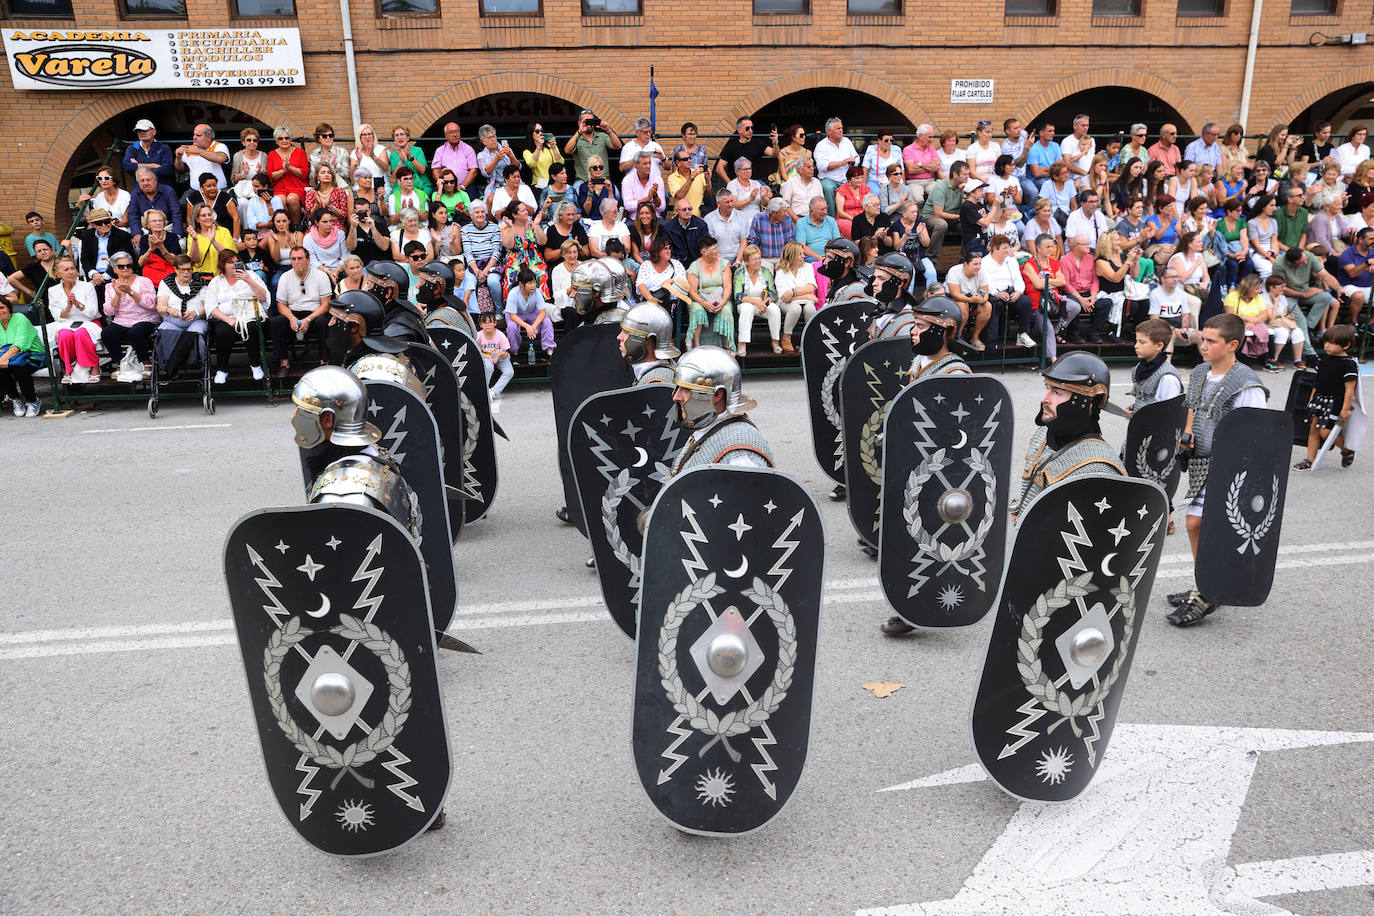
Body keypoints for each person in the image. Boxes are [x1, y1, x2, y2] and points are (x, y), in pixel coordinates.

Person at [880, 293, 971, 635]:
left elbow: (957, 432)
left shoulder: (956, 372)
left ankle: (918, 608)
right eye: (914, 325)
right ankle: (914, 603)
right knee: (909, 540)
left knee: (928, 541)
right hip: (913, 466)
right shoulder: (921, 362)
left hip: (940, 473)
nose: (913, 333)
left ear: (944, 329)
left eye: (920, 326)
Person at [1169, 313, 1269, 626]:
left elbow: (1254, 433)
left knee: (1196, 523)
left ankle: (1206, 590)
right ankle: (1207, 582)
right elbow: (1192, 405)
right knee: (1197, 524)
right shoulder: (1200, 372)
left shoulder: (1246, 385)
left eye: (1212, 341)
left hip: (1229, 468)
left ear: (1233, 345)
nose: (1204, 346)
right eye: (1204, 339)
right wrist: (1187, 434)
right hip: (1200, 460)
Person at [1010, 352, 1124, 523]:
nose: (1045, 399)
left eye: (1057, 392)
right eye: (1047, 388)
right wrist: (1025, 508)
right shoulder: (1044, 434)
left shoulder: (1099, 471)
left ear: (1087, 403)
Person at [669, 346, 773, 476]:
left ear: (717, 395)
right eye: (678, 387)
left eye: (686, 389)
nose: (676, 397)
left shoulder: (740, 455)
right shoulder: (712, 427)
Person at [1294, 324, 1359, 471]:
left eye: (1332, 342)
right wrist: (1311, 399)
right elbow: (1318, 382)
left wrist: (1346, 409)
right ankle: (1310, 460)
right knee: (1313, 430)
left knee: (1326, 431)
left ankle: (1347, 449)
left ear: (1346, 345)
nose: (1327, 345)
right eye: (1326, 341)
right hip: (1319, 400)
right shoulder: (1325, 359)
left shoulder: (1349, 365)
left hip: (1335, 402)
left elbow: (1350, 389)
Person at [204, 250, 269, 385]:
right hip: (226, 317)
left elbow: (264, 298)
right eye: (230, 262)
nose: (234, 265)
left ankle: (255, 365)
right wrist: (230, 321)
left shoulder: (250, 275)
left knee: (252, 327)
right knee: (222, 331)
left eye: (236, 261)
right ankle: (222, 369)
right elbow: (211, 308)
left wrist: (248, 280)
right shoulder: (217, 281)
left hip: (249, 315)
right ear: (223, 265)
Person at [270, 246, 333, 376]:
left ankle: (324, 361)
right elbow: (281, 305)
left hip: (315, 313)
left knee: (322, 321)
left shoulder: (321, 276)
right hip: (294, 312)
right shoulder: (285, 277)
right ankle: (284, 363)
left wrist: (308, 319)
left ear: (308, 260)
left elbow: (326, 304)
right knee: (276, 322)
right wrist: (292, 318)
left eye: (300, 258)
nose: (296, 262)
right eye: (293, 259)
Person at [1272, 245, 1342, 362]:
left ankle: (1309, 327)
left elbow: (1325, 275)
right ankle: (1310, 354)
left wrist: (1339, 289)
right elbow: (1281, 288)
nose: (1306, 262)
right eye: (1302, 262)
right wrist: (1304, 295)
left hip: (1304, 289)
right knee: (1301, 321)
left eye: (1305, 259)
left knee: (1325, 297)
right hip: (1287, 295)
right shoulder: (1279, 264)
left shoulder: (1308, 256)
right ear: (1291, 263)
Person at [99, 251, 159, 375]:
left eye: (129, 265)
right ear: (114, 269)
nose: (126, 268)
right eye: (121, 266)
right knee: (107, 333)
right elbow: (108, 312)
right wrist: (118, 295)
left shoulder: (144, 281)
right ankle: (120, 363)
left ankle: (146, 362)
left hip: (146, 318)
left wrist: (130, 292)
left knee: (134, 333)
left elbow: (150, 305)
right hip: (122, 320)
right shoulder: (110, 286)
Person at [45, 256, 101, 383]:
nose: (71, 272)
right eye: (66, 269)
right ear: (58, 273)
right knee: (64, 335)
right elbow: (57, 316)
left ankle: (94, 366)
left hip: (88, 322)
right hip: (66, 323)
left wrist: (77, 304)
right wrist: (68, 308)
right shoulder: (52, 290)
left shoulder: (88, 287)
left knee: (81, 334)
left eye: (72, 268)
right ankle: (69, 367)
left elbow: (93, 314)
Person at [153, 254, 209, 381]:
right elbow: (160, 306)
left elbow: (208, 307)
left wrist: (195, 312)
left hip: (196, 320)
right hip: (172, 320)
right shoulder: (166, 283)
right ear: (176, 269)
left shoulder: (201, 283)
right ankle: (170, 367)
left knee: (196, 335)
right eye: (183, 269)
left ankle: (202, 365)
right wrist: (168, 310)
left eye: (189, 269)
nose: (186, 273)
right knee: (162, 332)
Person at [1023, 232, 1079, 357]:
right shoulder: (1029, 264)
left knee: (1075, 307)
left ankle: (1057, 330)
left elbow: (1062, 281)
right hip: (1037, 304)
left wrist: (1046, 282)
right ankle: (1053, 359)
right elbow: (1037, 285)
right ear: (1038, 248)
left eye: (1052, 246)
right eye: (1048, 246)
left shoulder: (1054, 262)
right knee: (1047, 329)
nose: (1051, 249)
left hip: (1054, 300)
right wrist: (1051, 282)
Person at [980, 233, 1033, 349]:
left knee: (1026, 302)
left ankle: (1023, 335)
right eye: (1005, 248)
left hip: (1010, 293)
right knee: (995, 304)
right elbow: (985, 283)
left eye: (1009, 247)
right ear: (995, 249)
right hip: (993, 294)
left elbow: (1018, 280)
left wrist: (1018, 292)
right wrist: (997, 293)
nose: (1008, 250)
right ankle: (991, 342)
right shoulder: (985, 262)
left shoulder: (1011, 261)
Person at [76, 208, 136, 302]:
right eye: (99, 223)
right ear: (93, 225)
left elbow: (125, 260)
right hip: (94, 276)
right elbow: (85, 259)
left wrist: (104, 277)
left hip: (116, 275)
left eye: (107, 222)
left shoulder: (122, 236)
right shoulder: (87, 235)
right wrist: (94, 274)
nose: (104, 225)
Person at [1127, 317, 1183, 414]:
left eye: (1142, 342)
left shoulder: (1168, 378)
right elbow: (1145, 399)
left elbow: (1170, 412)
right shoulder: (1140, 368)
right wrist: (1135, 410)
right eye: (1136, 341)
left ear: (1159, 346)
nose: (1136, 346)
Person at [0, 298, 45, 416]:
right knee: (1, 369)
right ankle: (15, 399)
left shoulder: (20, 318)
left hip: (33, 354)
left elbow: (21, 343)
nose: (0, 311)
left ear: (8, 308)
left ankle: (32, 400)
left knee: (19, 369)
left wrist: (4, 357)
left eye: (2, 308)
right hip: (9, 356)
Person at [618, 301, 680, 386]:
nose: (619, 337)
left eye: (626, 332)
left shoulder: (656, 383)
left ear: (647, 339)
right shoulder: (664, 365)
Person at [733, 244, 778, 356]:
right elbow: (738, 296)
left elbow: (773, 294)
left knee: (775, 309)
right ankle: (742, 344)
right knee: (747, 309)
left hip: (763, 303)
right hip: (746, 302)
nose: (758, 261)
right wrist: (756, 302)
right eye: (754, 259)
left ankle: (775, 342)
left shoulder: (766, 272)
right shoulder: (739, 273)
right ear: (746, 262)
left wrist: (764, 304)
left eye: (759, 258)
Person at [503, 265, 555, 363]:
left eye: (534, 282)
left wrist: (533, 326)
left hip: (532, 312)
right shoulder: (513, 293)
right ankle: (514, 353)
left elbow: (542, 312)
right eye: (530, 283)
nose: (533, 285)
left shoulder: (537, 292)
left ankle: (549, 352)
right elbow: (512, 316)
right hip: (515, 314)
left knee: (547, 321)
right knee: (512, 327)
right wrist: (527, 327)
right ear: (521, 284)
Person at [773, 241, 818, 352]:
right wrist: (806, 295)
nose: (804, 256)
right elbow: (783, 296)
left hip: (803, 302)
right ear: (792, 255)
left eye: (803, 253)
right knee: (795, 308)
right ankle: (786, 337)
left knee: (811, 308)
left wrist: (792, 293)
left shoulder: (807, 267)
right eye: (800, 254)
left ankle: (809, 338)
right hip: (786, 304)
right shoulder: (781, 271)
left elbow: (811, 287)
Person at [460, 201, 503, 313]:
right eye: (477, 212)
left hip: (491, 263)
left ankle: (499, 311)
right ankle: (473, 314)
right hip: (474, 265)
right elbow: (468, 253)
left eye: (482, 211)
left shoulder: (495, 228)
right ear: (471, 215)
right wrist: (477, 272)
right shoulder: (465, 230)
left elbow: (496, 252)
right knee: (469, 281)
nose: (480, 214)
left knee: (493, 281)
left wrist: (485, 271)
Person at [500, 201, 549, 297]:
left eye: (526, 209)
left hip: (533, 260)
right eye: (523, 211)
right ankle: (513, 306)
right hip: (515, 261)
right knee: (513, 277)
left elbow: (543, 242)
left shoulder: (532, 224)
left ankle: (542, 305)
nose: (527, 212)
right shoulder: (506, 227)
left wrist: (536, 225)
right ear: (514, 215)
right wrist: (510, 227)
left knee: (541, 275)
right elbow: (508, 245)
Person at [814, 118, 859, 216]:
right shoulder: (821, 145)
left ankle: (855, 219)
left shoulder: (846, 141)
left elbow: (857, 158)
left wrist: (852, 162)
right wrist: (842, 162)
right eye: (838, 128)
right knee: (828, 187)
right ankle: (831, 220)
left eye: (842, 128)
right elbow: (822, 166)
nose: (841, 130)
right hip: (830, 180)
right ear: (829, 131)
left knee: (862, 185)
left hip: (847, 179)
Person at [1060, 234, 1101, 341]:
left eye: (1089, 243)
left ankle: (1094, 332)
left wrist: (1093, 296)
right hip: (1072, 293)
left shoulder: (1091, 259)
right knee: (1073, 304)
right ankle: (1073, 334)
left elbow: (1095, 280)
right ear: (1076, 246)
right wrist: (1081, 299)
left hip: (1088, 292)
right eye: (1085, 244)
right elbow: (1066, 284)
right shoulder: (1064, 260)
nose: (1089, 246)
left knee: (1105, 303)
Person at [922, 160, 968, 256]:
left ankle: (966, 259)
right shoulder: (941, 187)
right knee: (941, 225)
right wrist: (959, 216)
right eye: (964, 174)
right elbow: (938, 214)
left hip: (951, 217)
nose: (967, 177)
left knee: (968, 224)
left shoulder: (963, 187)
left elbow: (964, 208)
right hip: (931, 216)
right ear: (955, 174)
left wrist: (965, 194)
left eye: (968, 174)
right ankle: (931, 257)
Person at [564, 110, 623, 184]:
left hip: (603, 179)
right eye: (586, 122)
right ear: (579, 123)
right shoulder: (576, 138)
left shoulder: (602, 136)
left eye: (590, 121)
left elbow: (618, 146)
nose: (588, 124)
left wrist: (608, 130)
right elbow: (567, 151)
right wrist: (579, 132)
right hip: (583, 180)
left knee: (616, 195)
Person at [1260, 274, 1305, 370]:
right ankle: (1273, 360)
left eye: (1285, 286)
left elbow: (1283, 315)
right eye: (1282, 286)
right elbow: (1270, 318)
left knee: (1298, 332)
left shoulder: (1283, 298)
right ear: (1272, 287)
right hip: (1268, 324)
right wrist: (1276, 303)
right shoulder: (1263, 298)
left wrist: (1288, 316)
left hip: (1281, 322)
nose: (1284, 289)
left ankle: (1298, 360)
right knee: (1282, 332)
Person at [266, 127, 309, 228]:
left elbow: (304, 174)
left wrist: (290, 168)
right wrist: (283, 171)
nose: (284, 141)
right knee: (280, 200)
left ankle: (297, 227)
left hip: (297, 186)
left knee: (292, 199)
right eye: (281, 138)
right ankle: (286, 228)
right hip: (280, 187)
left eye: (287, 138)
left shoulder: (300, 152)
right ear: (276, 141)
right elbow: (271, 176)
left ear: (291, 139)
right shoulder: (272, 154)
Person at [944, 250, 989, 343]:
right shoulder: (954, 271)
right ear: (966, 264)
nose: (978, 267)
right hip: (953, 302)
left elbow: (985, 293)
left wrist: (982, 299)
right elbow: (955, 294)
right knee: (962, 305)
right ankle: (956, 338)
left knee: (987, 306)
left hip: (973, 301)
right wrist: (971, 299)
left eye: (980, 264)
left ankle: (975, 338)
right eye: (975, 264)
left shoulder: (982, 272)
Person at [1335, 227, 1374, 326]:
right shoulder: (1347, 254)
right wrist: (1367, 263)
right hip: (1350, 285)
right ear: (1360, 240)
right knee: (1358, 296)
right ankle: (1354, 323)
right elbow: (1352, 273)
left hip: (1369, 286)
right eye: (1371, 239)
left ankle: (1370, 324)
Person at [175, 123, 230, 189]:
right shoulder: (190, 149)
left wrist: (197, 151)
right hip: (195, 192)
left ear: (209, 138)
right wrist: (178, 158)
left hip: (218, 191)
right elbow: (180, 170)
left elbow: (220, 158)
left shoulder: (219, 146)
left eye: (198, 135)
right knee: (181, 200)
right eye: (194, 134)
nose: (194, 137)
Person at [704, 191, 751, 267]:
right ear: (718, 203)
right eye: (727, 202)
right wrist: (724, 262)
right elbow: (710, 245)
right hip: (716, 258)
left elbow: (744, 241)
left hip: (739, 258)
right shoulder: (709, 219)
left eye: (732, 201)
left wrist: (738, 261)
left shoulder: (742, 217)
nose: (731, 204)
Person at [303, 209, 349, 284]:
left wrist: (336, 271)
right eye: (325, 222)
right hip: (319, 270)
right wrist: (328, 272)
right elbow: (313, 261)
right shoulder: (308, 238)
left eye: (331, 221)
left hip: (340, 269)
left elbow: (345, 256)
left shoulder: (340, 234)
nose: (329, 224)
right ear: (316, 223)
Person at [432, 123, 480, 194]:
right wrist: (442, 185)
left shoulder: (468, 149)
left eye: (457, 131)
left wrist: (462, 186)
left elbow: (474, 171)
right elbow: (435, 170)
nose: (455, 134)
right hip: (445, 187)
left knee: (474, 202)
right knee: (435, 200)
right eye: (451, 132)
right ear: (446, 135)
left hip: (466, 186)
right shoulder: (440, 150)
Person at [475, 310, 514, 400]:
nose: (487, 325)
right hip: (486, 356)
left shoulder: (500, 335)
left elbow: (506, 352)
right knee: (488, 367)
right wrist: (490, 357)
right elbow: (477, 352)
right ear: (481, 325)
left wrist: (500, 354)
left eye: (490, 322)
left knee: (509, 372)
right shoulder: (478, 336)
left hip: (499, 357)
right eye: (484, 323)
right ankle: (484, 390)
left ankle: (493, 392)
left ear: (495, 323)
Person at [122, 118, 174, 182]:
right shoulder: (131, 148)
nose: (141, 133)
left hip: (162, 188)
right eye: (139, 131)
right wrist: (153, 165)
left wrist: (138, 165)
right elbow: (127, 167)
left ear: (154, 132)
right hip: (139, 189)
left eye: (145, 130)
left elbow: (167, 170)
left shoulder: (164, 148)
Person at [903, 124, 942, 205]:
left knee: (939, 194)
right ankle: (918, 217)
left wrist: (920, 164)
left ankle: (931, 215)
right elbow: (911, 169)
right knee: (917, 198)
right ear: (920, 136)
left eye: (932, 137)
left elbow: (937, 167)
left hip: (930, 181)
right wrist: (929, 167)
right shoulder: (908, 149)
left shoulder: (931, 149)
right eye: (929, 137)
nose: (932, 140)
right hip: (914, 181)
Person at [622, 150, 667, 217]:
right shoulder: (627, 180)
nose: (648, 166)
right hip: (635, 219)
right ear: (636, 164)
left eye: (649, 163)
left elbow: (662, 208)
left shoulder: (657, 179)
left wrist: (655, 196)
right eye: (645, 164)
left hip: (654, 218)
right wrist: (647, 199)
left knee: (665, 227)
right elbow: (628, 206)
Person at [1247, 193, 1280, 277]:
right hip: (1259, 252)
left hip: (1271, 251)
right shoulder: (1252, 223)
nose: (1274, 208)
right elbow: (1256, 245)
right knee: (1268, 271)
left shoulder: (1273, 221)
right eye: (1271, 205)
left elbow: (1274, 241)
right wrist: (1269, 257)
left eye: (1275, 205)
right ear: (1263, 206)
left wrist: (1274, 255)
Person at [1059, 114, 1095, 189]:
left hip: (1091, 176)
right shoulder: (1067, 141)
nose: (1086, 128)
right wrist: (1084, 173)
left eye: (1087, 125)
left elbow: (1092, 159)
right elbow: (1066, 163)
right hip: (1073, 177)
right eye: (1083, 125)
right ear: (1075, 126)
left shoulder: (1092, 140)